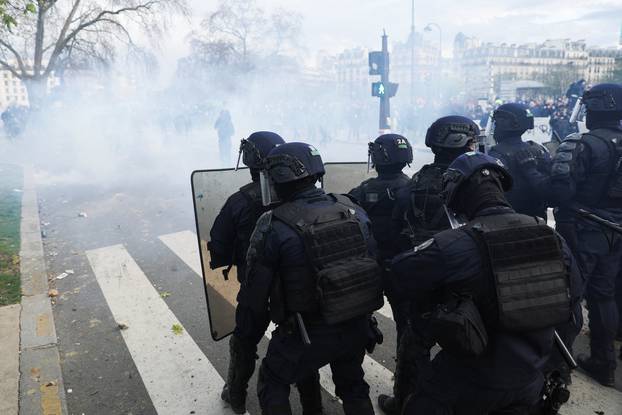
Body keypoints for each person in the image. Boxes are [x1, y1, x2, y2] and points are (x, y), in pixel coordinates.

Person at [391, 152, 582, 414]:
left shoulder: (455, 244)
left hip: (466, 382)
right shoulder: (551, 237)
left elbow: (401, 273)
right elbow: (573, 310)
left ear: (456, 193)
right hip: (530, 380)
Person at [239, 142, 383, 415]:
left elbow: (254, 295)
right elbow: (374, 261)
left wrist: (247, 333)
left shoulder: (273, 224)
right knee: (353, 386)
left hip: (307, 332)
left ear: (278, 178)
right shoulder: (353, 209)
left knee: (272, 380)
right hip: (355, 323)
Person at [378, 116, 479, 415]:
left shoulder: (416, 183)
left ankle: (406, 402)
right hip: (470, 274)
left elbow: (397, 228)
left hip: (427, 274)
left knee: (414, 343)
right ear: (467, 144)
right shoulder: (478, 180)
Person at [208, 131, 287, 414]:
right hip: (295, 287)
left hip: (256, 288)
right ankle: (311, 401)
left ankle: (237, 394)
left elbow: (218, 245)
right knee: (299, 340)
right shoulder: (296, 192)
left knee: (244, 341)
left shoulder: (239, 201)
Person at [550, 83, 622, 386]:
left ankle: (558, 369)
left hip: (583, 226)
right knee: (604, 296)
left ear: (593, 110)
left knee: (569, 295)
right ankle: (604, 363)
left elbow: (560, 192)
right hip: (616, 230)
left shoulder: (583, 143)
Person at [348, 134, 412, 343]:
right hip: (403, 263)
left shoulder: (363, 190)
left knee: (358, 314)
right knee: (406, 320)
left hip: (370, 263)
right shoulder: (414, 187)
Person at [488, 103, 551, 219]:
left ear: (504, 125)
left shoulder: (495, 153)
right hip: (538, 218)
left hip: (508, 219)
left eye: (496, 124)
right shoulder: (539, 150)